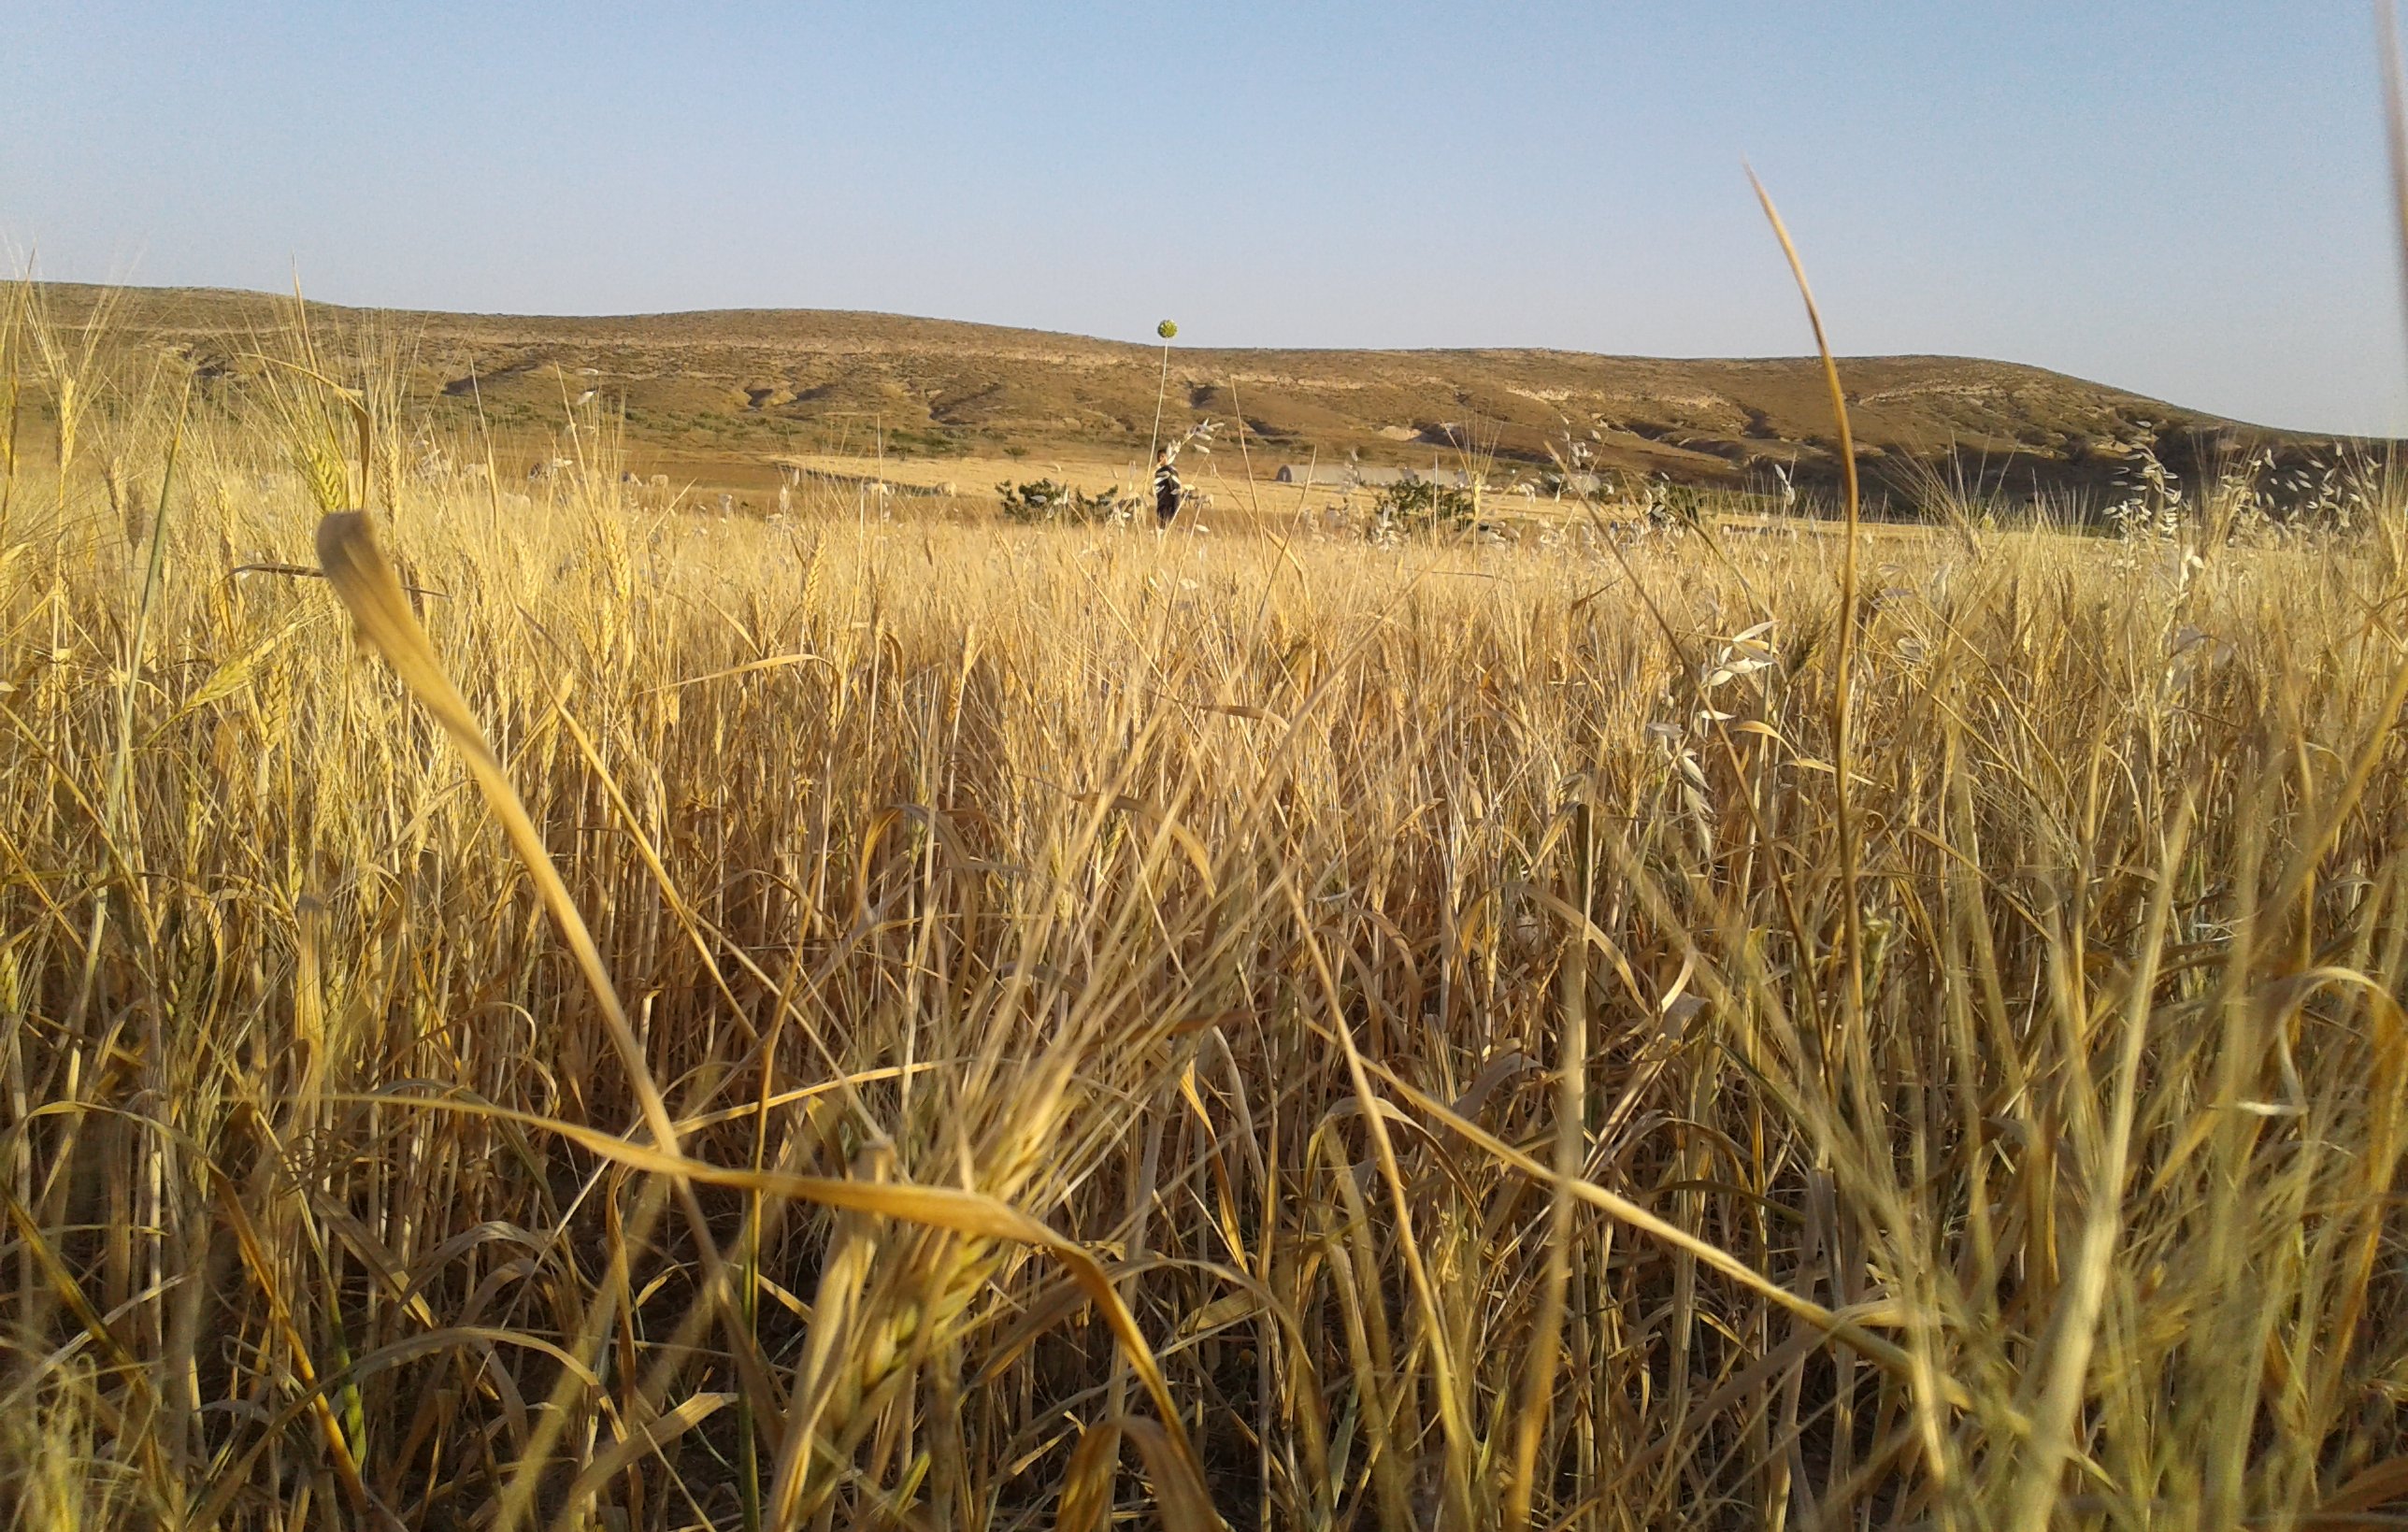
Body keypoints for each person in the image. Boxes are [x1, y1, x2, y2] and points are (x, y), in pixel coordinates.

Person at [1154, 445, 1182, 526]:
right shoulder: (1157, 471)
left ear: (1167, 457)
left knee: (1168, 524)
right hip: (1161, 502)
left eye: (1162, 456)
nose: (1160, 459)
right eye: (1158, 457)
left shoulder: (1171, 471)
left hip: (1170, 502)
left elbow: (1176, 488)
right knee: (1161, 524)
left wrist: (1175, 503)